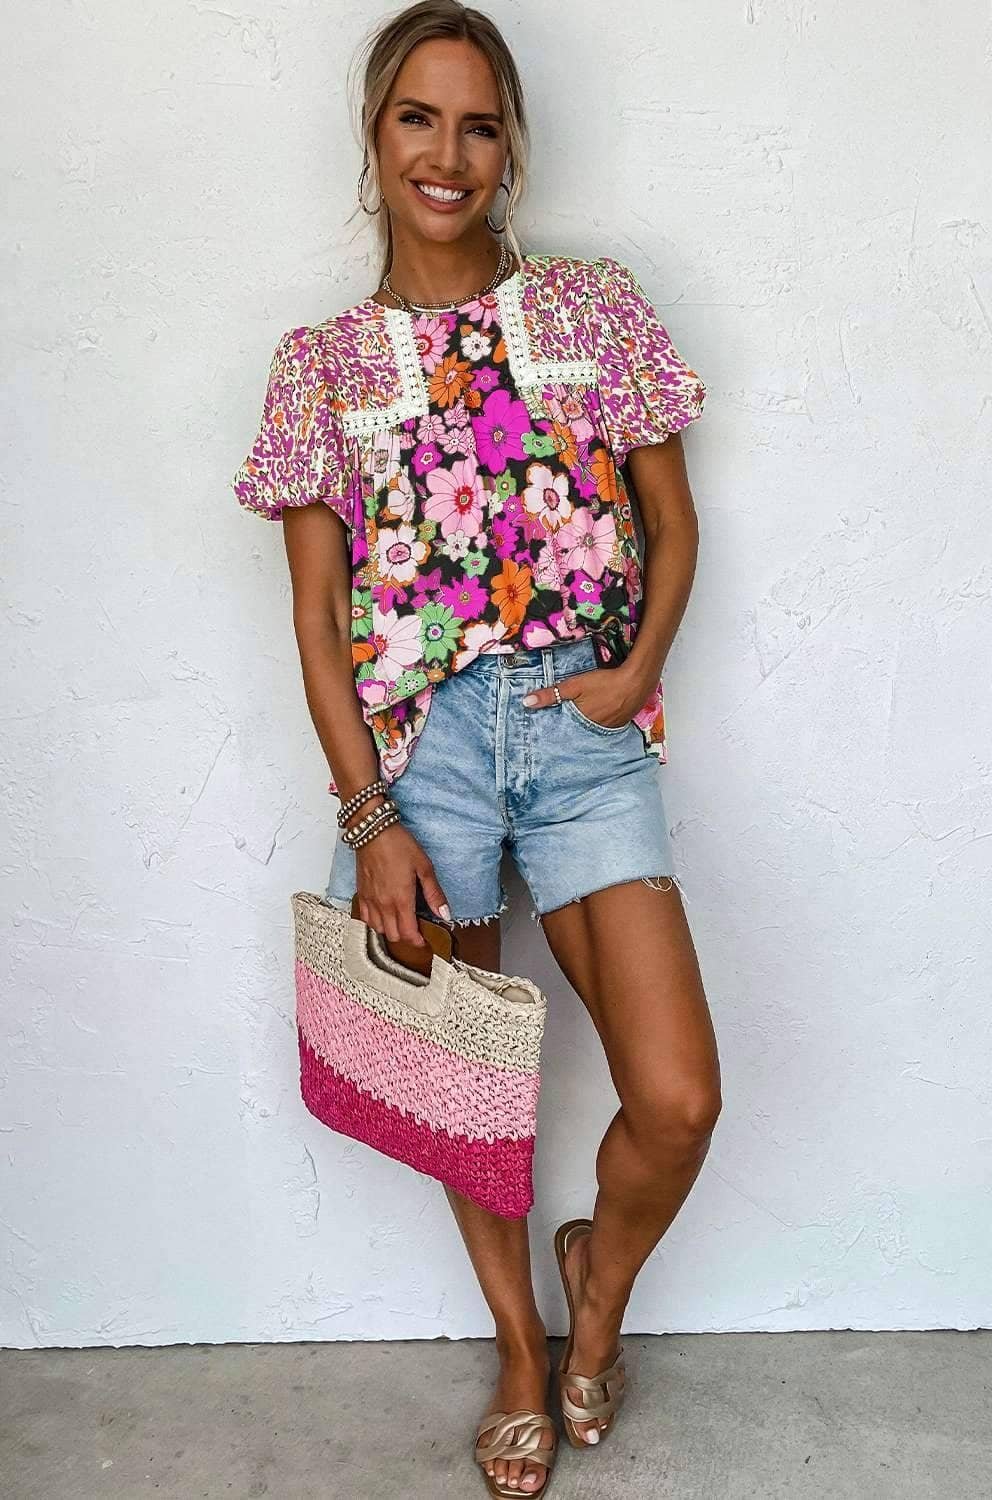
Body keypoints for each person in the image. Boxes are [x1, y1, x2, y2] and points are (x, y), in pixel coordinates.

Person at [233, 3, 721, 1494]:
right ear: (374, 138)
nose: (446, 154)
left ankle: (596, 1292)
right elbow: (317, 620)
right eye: (417, 118)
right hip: (423, 754)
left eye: (478, 124)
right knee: (468, 1094)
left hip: (580, 731)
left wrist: (633, 672)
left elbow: (672, 523)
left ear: (509, 149)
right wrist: (369, 815)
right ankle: (520, 1350)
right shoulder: (320, 368)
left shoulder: (591, 311)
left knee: (677, 1099)